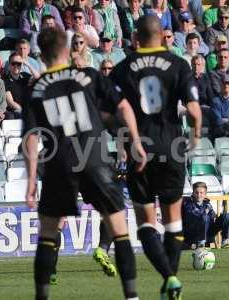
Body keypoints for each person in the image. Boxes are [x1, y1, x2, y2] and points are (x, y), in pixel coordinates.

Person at [23, 26, 146, 300]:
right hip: (94, 159)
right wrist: (135, 140)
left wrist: (31, 179)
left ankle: (42, 297)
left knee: (47, 233)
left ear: (41, 55)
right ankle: (132, 296)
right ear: (67, 50)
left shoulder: (35, 88)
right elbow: (124, 106)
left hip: (58, 163)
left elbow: (31, 137)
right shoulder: (88, 75)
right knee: (119, 228)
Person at [111, 15, 202, 299]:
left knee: (146, 223)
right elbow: (195, 111)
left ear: (136, 37)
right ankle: (169, 285)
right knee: (173, 221)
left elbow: (115, 111)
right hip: (172, 147)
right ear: (163, 36)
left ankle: (170, 277)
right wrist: (195, 136)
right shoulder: (178, 64)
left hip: (140, 150)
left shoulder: (123, 68)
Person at [182, 182, 229, 249]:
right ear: (193, 193)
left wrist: (212, 215)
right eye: (196, 192)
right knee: (204, 216)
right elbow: (193, 215)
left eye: (201, 193)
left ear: (205, 194)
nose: (199, 195)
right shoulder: (187, 203)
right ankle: (202, 244)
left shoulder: (207, 204)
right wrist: (205, 213)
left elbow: (212, 217)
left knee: (227, 216)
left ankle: (225, 242)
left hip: (208, 232)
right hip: (192, 233)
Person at [3, 52, 31, 119]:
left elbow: (38, 77)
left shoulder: (26, 76)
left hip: (28, 109)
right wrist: (24, 110)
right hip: (15, 111)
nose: (16, 66)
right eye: (13, 64)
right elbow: (10, 102)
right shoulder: (5, 80)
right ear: (9, 65)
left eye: (18, 64)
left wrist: (28, 65)